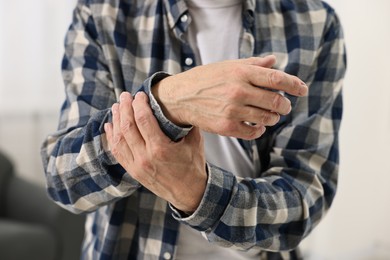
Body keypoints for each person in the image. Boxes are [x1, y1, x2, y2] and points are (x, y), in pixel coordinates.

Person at [41, 0, 346, 259]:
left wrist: (196, 192)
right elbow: (64, 180)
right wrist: (171, 100)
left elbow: (305, 197)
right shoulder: (103, 11)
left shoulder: (314, 21)